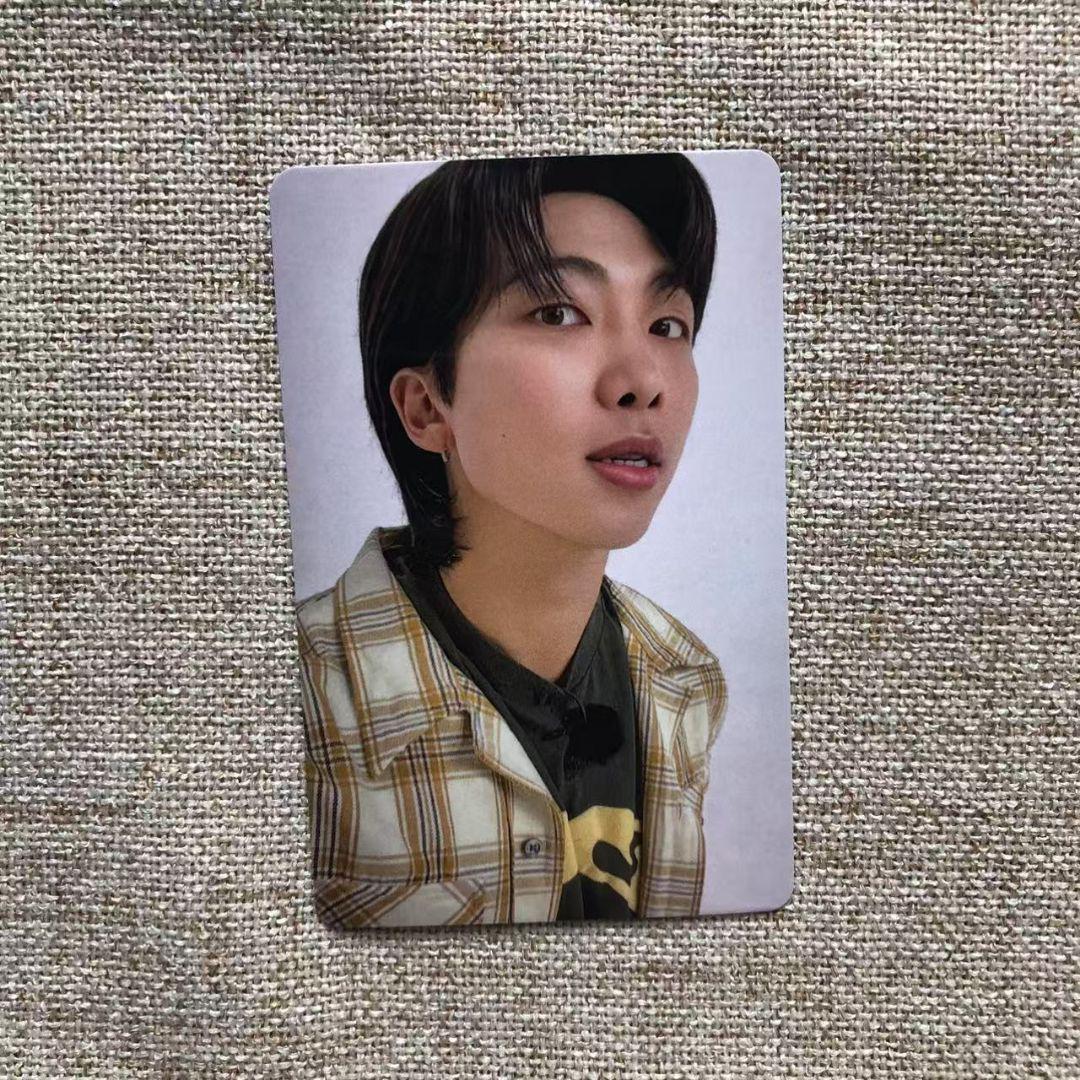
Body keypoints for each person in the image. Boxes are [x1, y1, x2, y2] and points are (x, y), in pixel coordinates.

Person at [295, 152, 727, 929]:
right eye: (559, 314)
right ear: (427, 407)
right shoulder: (303, 701)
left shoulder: (685, 679)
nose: (643, 380)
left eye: (667, 325)